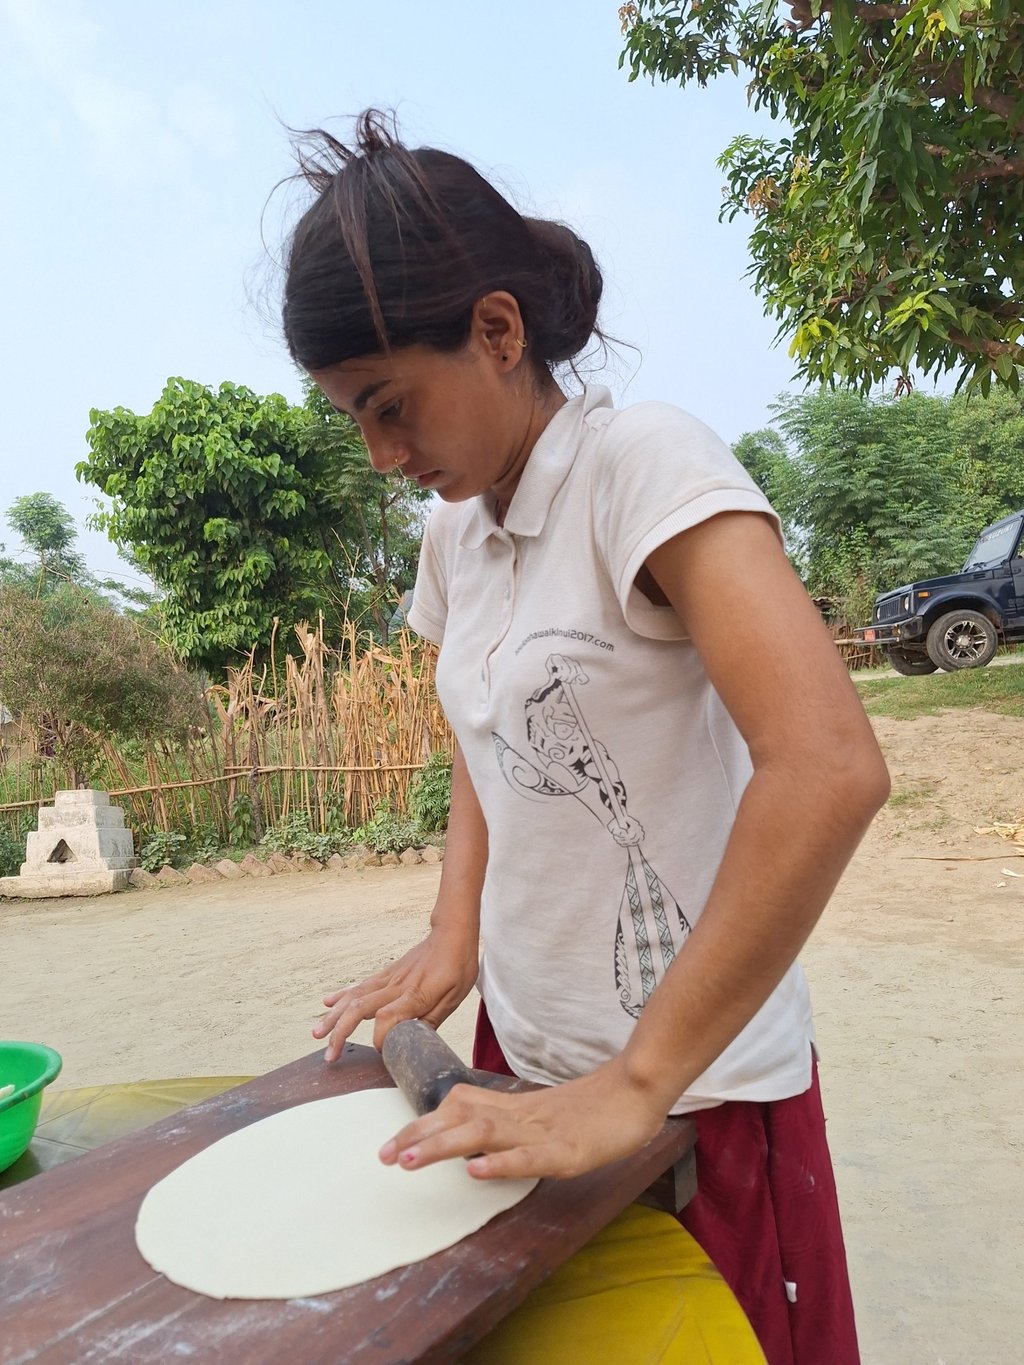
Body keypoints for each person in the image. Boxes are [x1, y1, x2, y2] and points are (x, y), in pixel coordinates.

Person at [280, 110, 890, 1365]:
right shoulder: (454, 534)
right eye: (353, 418)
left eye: (390, 404)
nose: (382, 453)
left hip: (690, 1090)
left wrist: (633, 1088)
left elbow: (827, 768)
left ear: (498, 332)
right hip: (524, 1068)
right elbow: (478, 729)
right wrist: (456, 934)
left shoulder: (642, 466)